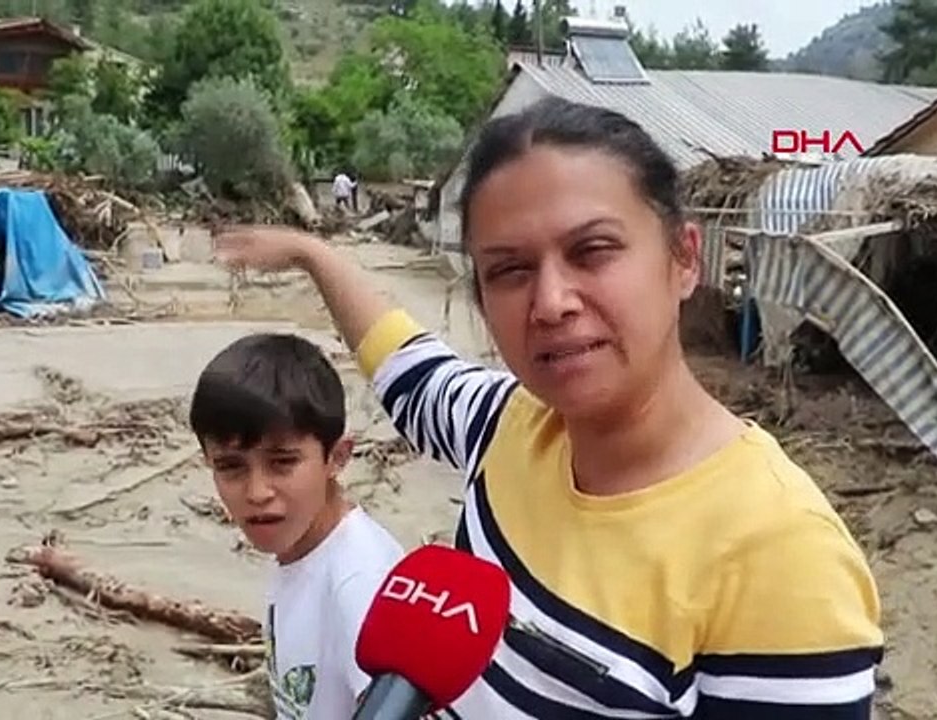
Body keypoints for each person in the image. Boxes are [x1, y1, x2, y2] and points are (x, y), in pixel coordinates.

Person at [213, 96, 884, 718]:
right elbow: (403, 361)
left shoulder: (783, 559)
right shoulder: (509, 427)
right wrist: (312, 254)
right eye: (510, 270)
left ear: (683, 258)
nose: (552, 301)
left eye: (592, 250)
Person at [188, 333, 404, 719]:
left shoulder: (360, 586)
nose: (257, 492)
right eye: (230, 466)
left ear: (336, 457)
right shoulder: (299, 549)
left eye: (283, 462)